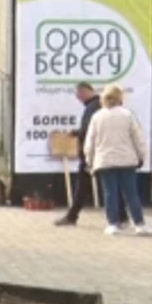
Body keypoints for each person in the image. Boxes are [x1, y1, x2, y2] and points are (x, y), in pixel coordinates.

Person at [83, 84, 152, 236]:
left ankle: (112, 223)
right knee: (131, 193)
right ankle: (139, 223)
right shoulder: (127, 115)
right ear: (120, 98)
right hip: (126, 160)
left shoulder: (97, 116)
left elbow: (90, 142)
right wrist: (142, 156)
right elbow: (138, 138)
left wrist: (90, 160)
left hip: (104, 160)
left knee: (110, 193)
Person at [54, 82, 102, 227]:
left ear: (84, 92)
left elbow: (89, 130)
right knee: (101, 184)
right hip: (95, 152)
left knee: (84, 185)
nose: (78, 99)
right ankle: (122, 215)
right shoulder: (93, 106)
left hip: (92, 153)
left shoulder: (93, 107)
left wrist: (76, 133)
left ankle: (72, 216)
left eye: (78, 95)